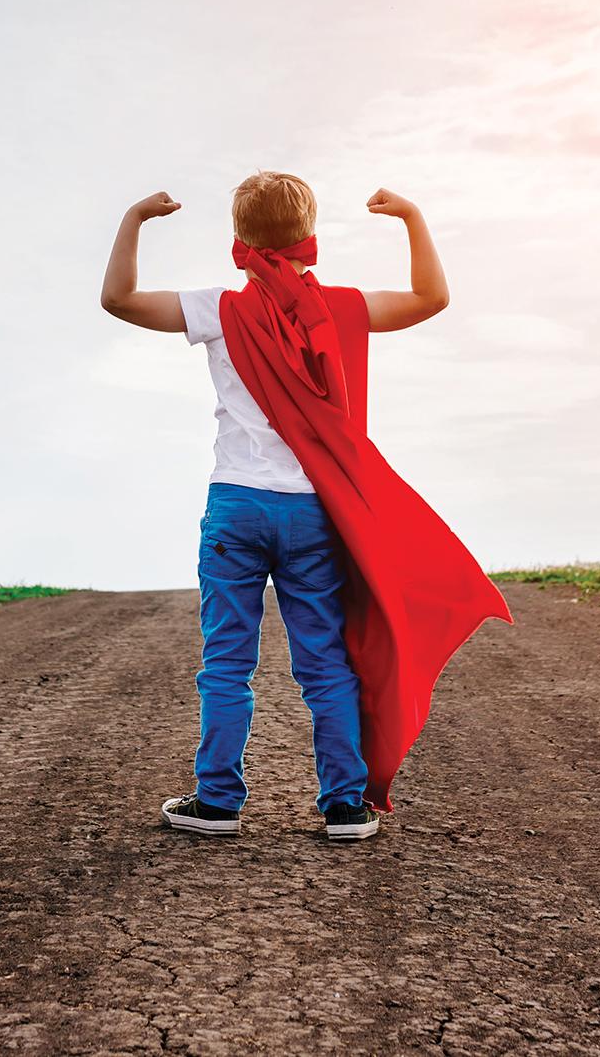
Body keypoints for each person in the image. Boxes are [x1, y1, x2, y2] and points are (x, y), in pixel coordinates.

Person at [99, 171, 456, 842]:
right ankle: (345, 805)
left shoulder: (215, 309)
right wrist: (410, 216)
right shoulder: (345, 307)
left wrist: (134, 219)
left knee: (227, 660)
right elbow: (431, 297)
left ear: (239, 240)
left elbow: (117, 299)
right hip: (311, 513)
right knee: (324, 660)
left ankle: (219, 801)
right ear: (310, 236)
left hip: (237, 506)